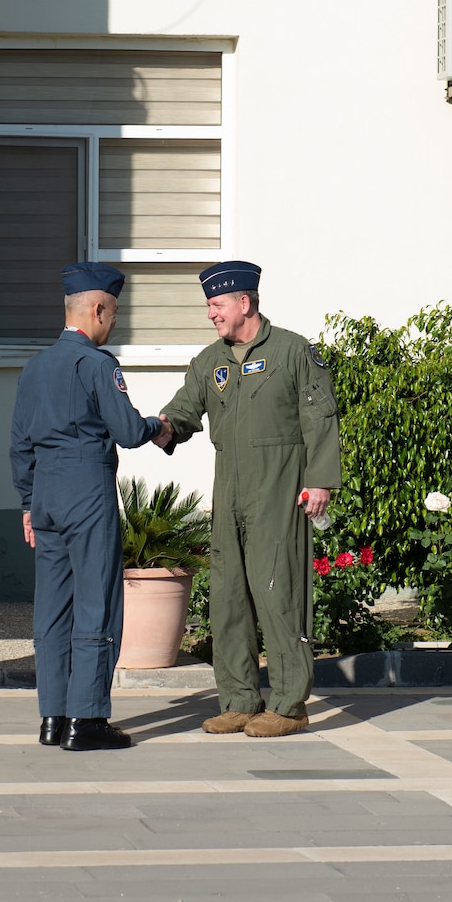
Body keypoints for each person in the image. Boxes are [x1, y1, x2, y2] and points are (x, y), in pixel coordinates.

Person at [158, 262, 340, 738]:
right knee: (228, 595)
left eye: (216, 305)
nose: (211, 315)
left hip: (279, 487)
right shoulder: (209, 362)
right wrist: (160, 428)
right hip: (229, 487)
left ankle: (288, 705)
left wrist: (319, 480)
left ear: (245, 302)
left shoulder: (293, 351)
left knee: (279, 592)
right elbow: (184, 409)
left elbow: (320, 417)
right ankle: (240, 699)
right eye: (209, 306)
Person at [10, 263, 171, 752]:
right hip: (86, 488)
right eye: (114, 313)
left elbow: (19, 443)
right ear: (97, 309)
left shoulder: (35, 367)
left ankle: (52, 717)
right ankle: (88, 719)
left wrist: (27, 503)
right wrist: (156, 426)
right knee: (97, 603)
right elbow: (125, 430)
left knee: (52, 610)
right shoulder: (99, 365)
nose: (114, 323)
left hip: (46, 495)